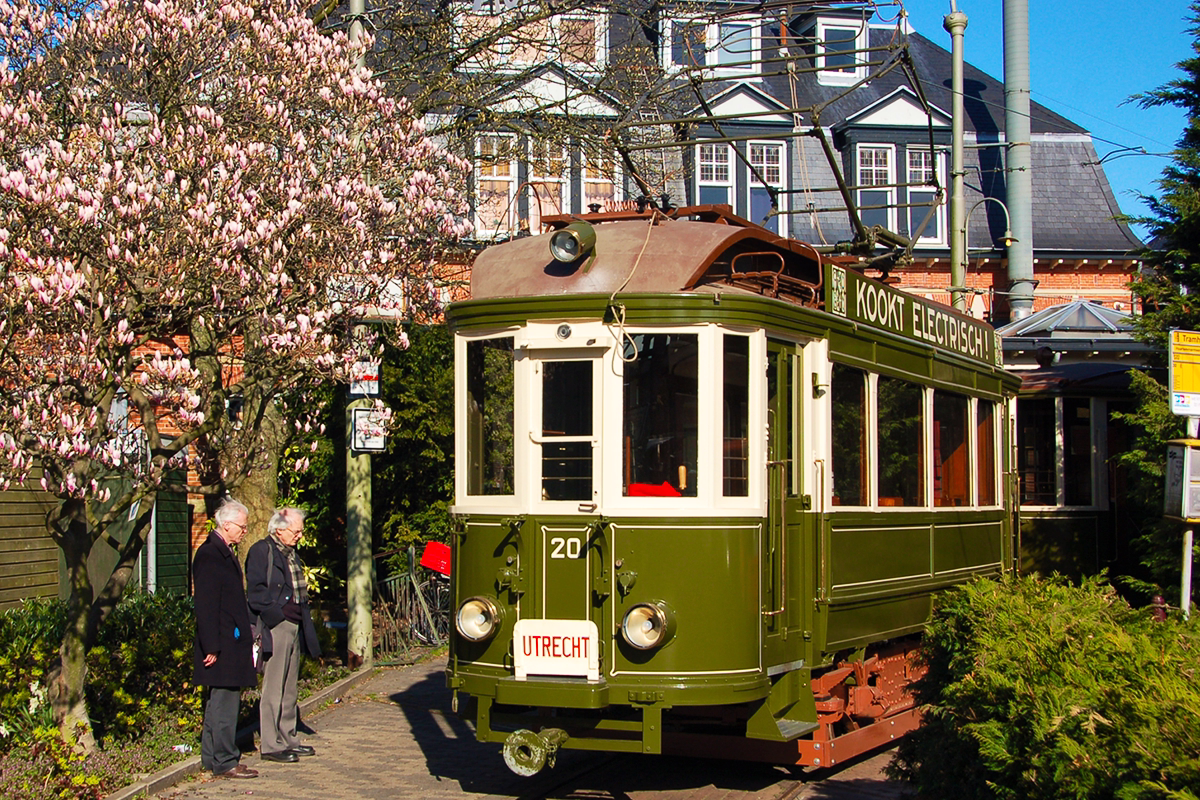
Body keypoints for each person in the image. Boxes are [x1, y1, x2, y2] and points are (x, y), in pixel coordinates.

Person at [246, 507, 322, 763]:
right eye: (296, 530)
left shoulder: (292, 555)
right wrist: (276, 617)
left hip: (294, 625)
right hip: (276, 626)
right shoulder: (262, 551)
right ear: (279, 529)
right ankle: (271, 744)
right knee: (274, 686)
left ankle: (288, 736)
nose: (300, 535)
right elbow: (256, 591)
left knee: (290, 687)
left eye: (301, 530)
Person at [192, 498, 259, 779]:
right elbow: (206, 604)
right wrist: (212, 645)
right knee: (224, 703)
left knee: (220, 700)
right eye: (242, 527)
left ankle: (212, 757)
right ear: (227, 525)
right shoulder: (210, 555)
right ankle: (224, 760)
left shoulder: (223, 552)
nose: (244, 532)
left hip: (227, 641)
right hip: (221, 643)